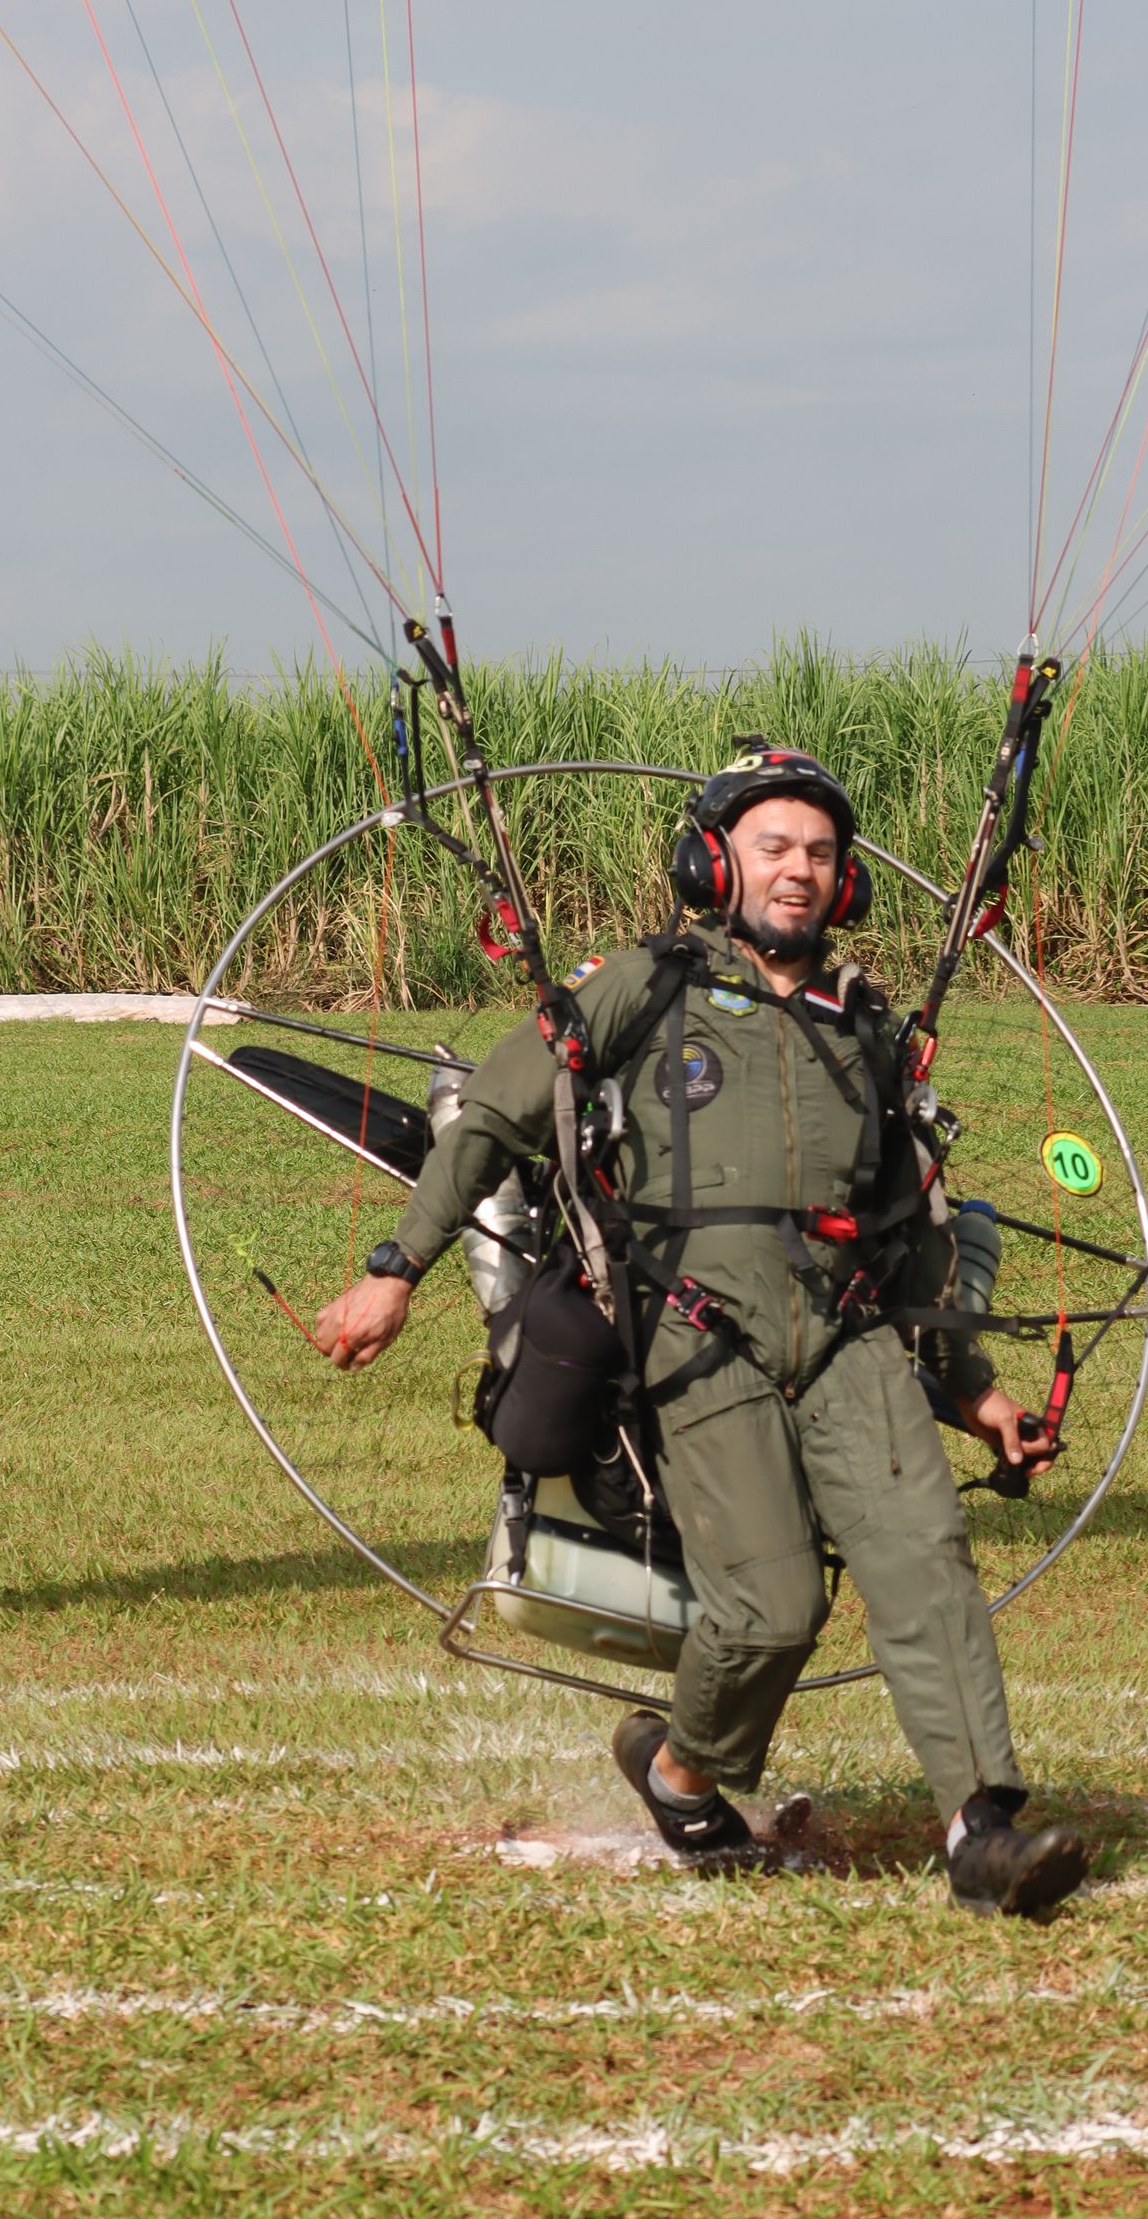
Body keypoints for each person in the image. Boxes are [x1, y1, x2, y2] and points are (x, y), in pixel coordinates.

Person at [313, 746, 1088, 1918]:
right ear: (714, 861)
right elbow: (494, 1116)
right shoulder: (645, 984)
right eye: (775, 847)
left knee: (923, 1560)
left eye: (822, 853)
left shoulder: (865, 1027)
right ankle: (680, 1771)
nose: (801, 872)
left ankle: (982, 1831)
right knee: (774, 1611)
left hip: (850, 1332)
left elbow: (911, 1229)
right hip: (696, 1329)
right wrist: (395, 1268)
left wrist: (976, 1393)